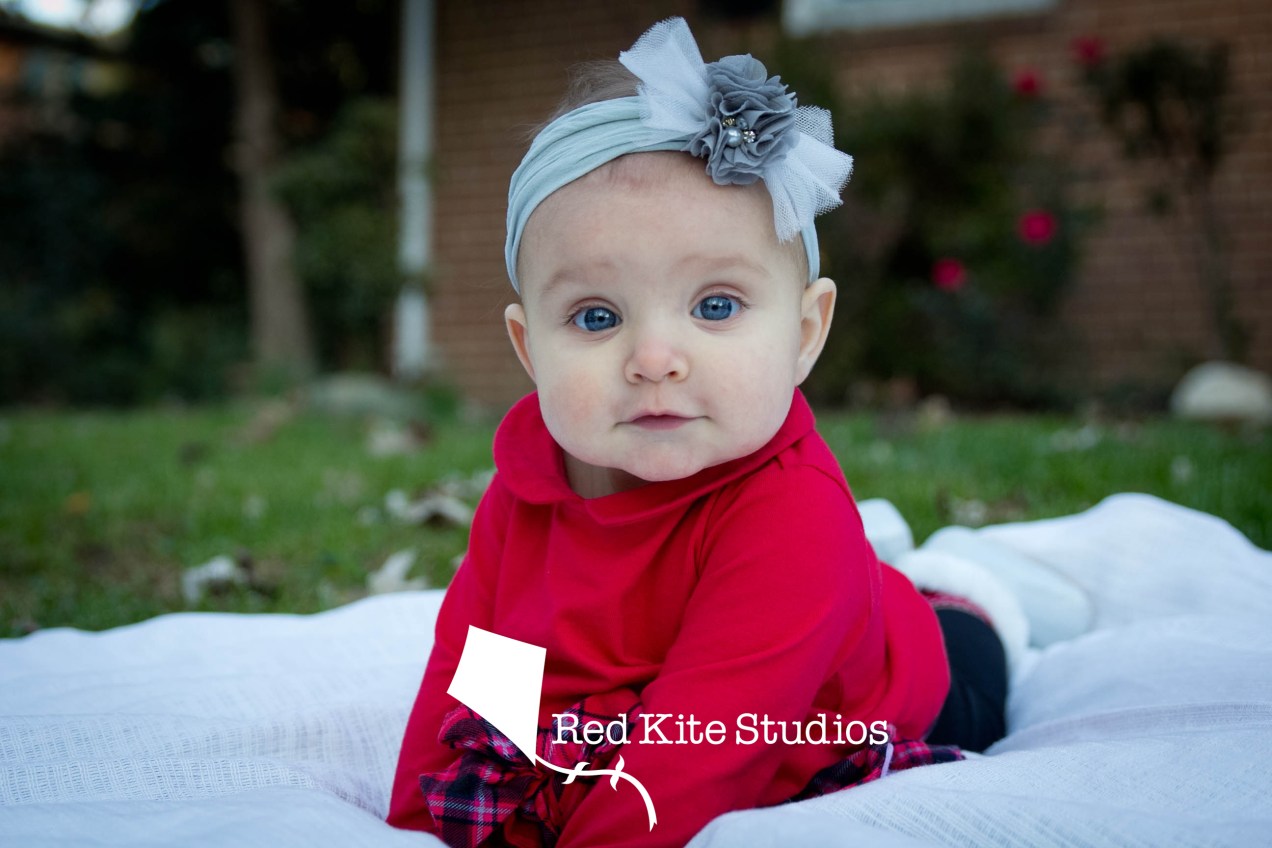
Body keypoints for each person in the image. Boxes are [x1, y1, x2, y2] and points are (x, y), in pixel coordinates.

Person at [388, 17, 1014, 847]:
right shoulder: (528, 491)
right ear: (528, 347)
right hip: (663, 705)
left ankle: (966, 594)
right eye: (597, 316)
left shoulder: (791, 517)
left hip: (891, 690)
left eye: (715, 306)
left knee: (966, 631)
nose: (654, 360)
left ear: (804, 333)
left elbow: (697, 761)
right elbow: (476, 676)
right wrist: (415, 828)